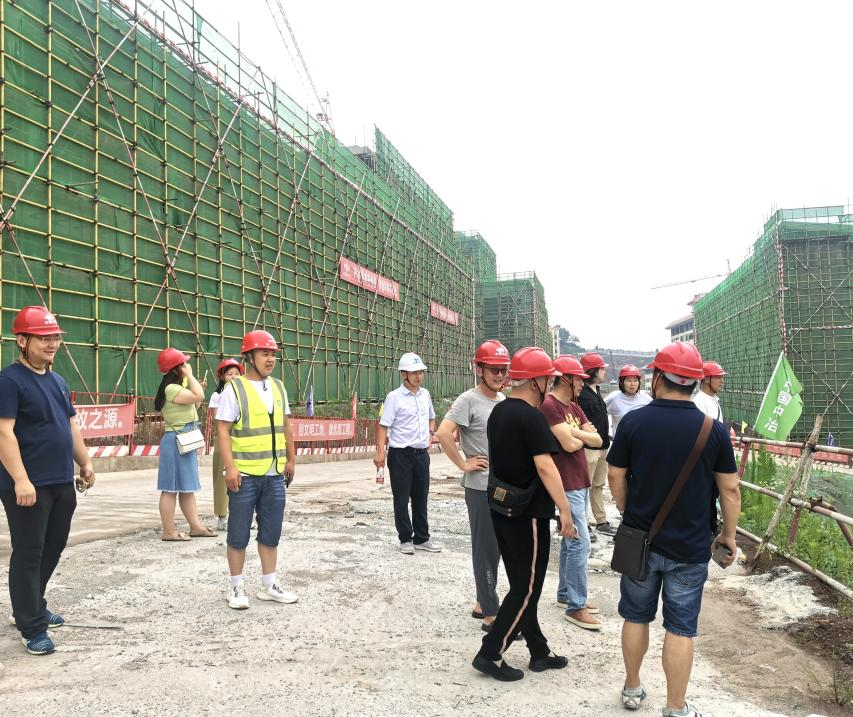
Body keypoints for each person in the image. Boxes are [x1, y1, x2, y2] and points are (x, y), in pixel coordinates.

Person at [606, 342, 740, 716]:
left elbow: (615, 475)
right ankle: (676, 707)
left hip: (640, 543)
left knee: (635, 616)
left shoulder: (633, 423)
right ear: (696, 382)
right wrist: (729, 535)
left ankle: (632, 688)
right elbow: (730, 489)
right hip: (690, 547)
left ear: (657, 378)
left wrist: (629, 511)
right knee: (680, 628)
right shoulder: (713, 430)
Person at [472, 347, 575, 682]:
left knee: (521, 584)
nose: (550, 385)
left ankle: (539, 650)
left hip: (503, 507)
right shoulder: (531, 417)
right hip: (528, 514)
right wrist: (565, 509)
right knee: (526, 588)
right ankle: (491, 652)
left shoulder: (499, 412)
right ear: (535, 382)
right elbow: (545, 466)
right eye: (548, 379)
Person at [0, 306, 95, 656]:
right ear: (22, 341)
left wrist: (84, 462)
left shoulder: (57, 381)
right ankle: (31, 626)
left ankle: (30, 605)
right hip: (27, 485)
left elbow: (70, 425)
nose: (52, 343)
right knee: (29, 551)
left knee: (53, 546)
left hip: (60, 480)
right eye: (44, 338)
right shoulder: (9, 381)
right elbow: (4, 433)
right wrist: (20, 479)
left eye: (55, 337)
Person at [216, 330, 297, 609]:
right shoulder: (234, 389)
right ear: (249, 357)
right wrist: (230, 467)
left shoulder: (278, 387)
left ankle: (269, 584)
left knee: (271, 531)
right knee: (238, 532)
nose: (270, 359)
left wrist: (291, 460)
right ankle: (236, 587)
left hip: (274, 473)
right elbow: (222, 430)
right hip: (245, 474)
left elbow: (286, 426)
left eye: (273, 354)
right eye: (264, 354)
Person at [436, 340, 509, 632]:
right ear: (479, 369)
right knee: (485, 548)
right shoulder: (468, 400)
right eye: (493, 369)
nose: (499, 375)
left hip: (501, 485)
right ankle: (491, 614)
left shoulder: (503, 400)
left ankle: (482, 602)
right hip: (480, 487)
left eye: (503, 369)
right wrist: (464, 463)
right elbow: (443, 433)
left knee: (497, 548)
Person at [540, 355, 603, 631]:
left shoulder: (574, 407)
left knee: (570, 541)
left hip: (579, 480)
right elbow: (567, 445)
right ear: (565, 379)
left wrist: (576, 435)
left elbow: (598, 440)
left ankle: (566, 594)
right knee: (579, 542)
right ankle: (576, 606)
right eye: (578, 379)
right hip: (565, 482)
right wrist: (579, 436)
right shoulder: (550, 406)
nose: (581, 384)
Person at [374, 352, 441, 555]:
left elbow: (432, 418)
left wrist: (430, 434)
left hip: (421, 455)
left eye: (421, 372)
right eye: (414, 373)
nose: (419, 376)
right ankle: (405, 539)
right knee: (402, 499)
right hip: (400, 455)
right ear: (404, 374)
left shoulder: (425, 395)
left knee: (421, 498)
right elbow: (383, 426)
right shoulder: (394, 397)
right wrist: (380, 452)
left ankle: (422, 538)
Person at [155, 348, 216, 542]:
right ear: (177, 368)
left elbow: (194, 406)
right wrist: (190, 376)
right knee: (170, 488)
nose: (187, 366)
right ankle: (168, 531)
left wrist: (195, 386)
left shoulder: (174, 389)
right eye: (184, 364)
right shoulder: (171, 389)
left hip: (185, 440)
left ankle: (195, 526)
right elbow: (199, 397)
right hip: (176, 441)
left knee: (187, 486)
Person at [578, 352, 615, 538]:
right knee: (584, 487)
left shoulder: (596, 391)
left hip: (602, 447)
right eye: (602, 369)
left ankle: (601, 521)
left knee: (598, 485)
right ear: (592, 371)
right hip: (588, 449)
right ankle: (583, 524)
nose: (604, 373)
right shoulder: (581, 394)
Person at [693, 361, 728, 541]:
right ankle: (705, 532)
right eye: (718, 377)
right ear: (706, 379)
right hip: (706, 460)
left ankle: (710, 529)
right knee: (704, 497)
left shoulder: (714, 401)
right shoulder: (699, 402)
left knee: (712, 496)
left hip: (714, 459)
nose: (722, 381)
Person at [209, 358, 244, 531]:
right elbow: (220, 421)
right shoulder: (217, 396)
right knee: (222, 478)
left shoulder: (245, 394)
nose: (234, 377)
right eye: (230, 374)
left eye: (237, 373)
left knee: (244, 478)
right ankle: (222, 517)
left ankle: (243, 516)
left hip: (242, 439)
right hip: (225, 439)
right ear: (222, 377)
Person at [605, 364, 652, 438]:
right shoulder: (613, 398)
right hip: (620, 442)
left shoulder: (647, 399)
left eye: (635, 380)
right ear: (621, 382)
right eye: (628, 380)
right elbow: (599, 416)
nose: (632, 384)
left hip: (642, 441)